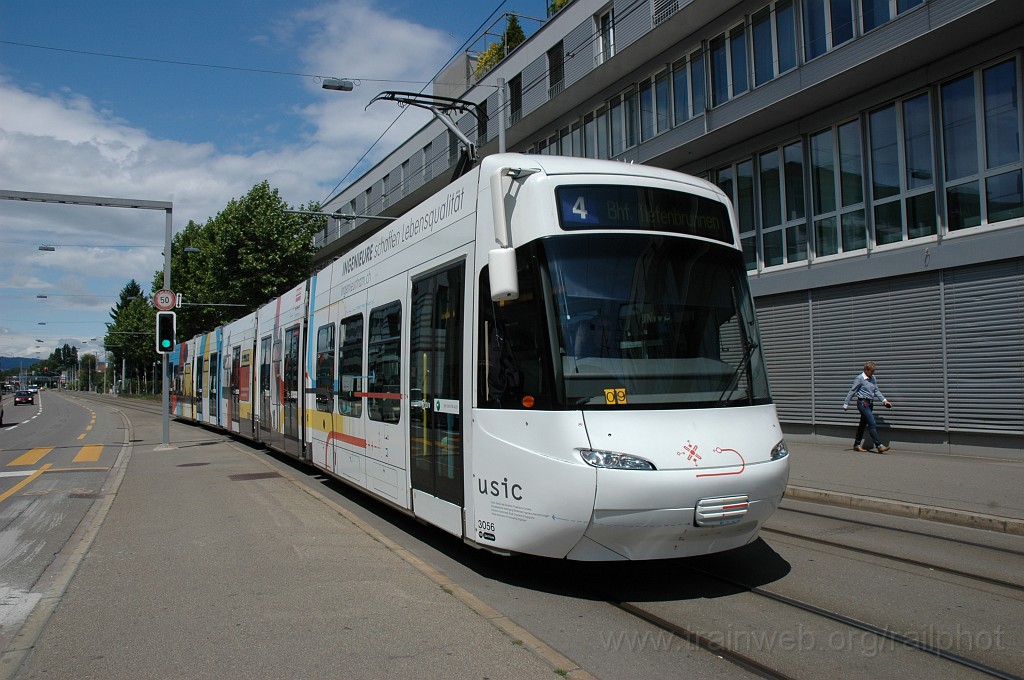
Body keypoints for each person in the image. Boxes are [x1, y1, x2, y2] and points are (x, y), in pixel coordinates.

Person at [843, 361, 893, 453]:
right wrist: (846, 404)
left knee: (862, 424)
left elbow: (876, 390)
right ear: (866, 370)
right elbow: (852, 391)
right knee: (872, 423)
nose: (873, 373)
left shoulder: (873, 378)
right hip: (862, 403)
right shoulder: (860, 378)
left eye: (874, 371)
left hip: (870, 404)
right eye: (871, 371)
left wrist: (884, 400)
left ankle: (856, 445)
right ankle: (879, 446)